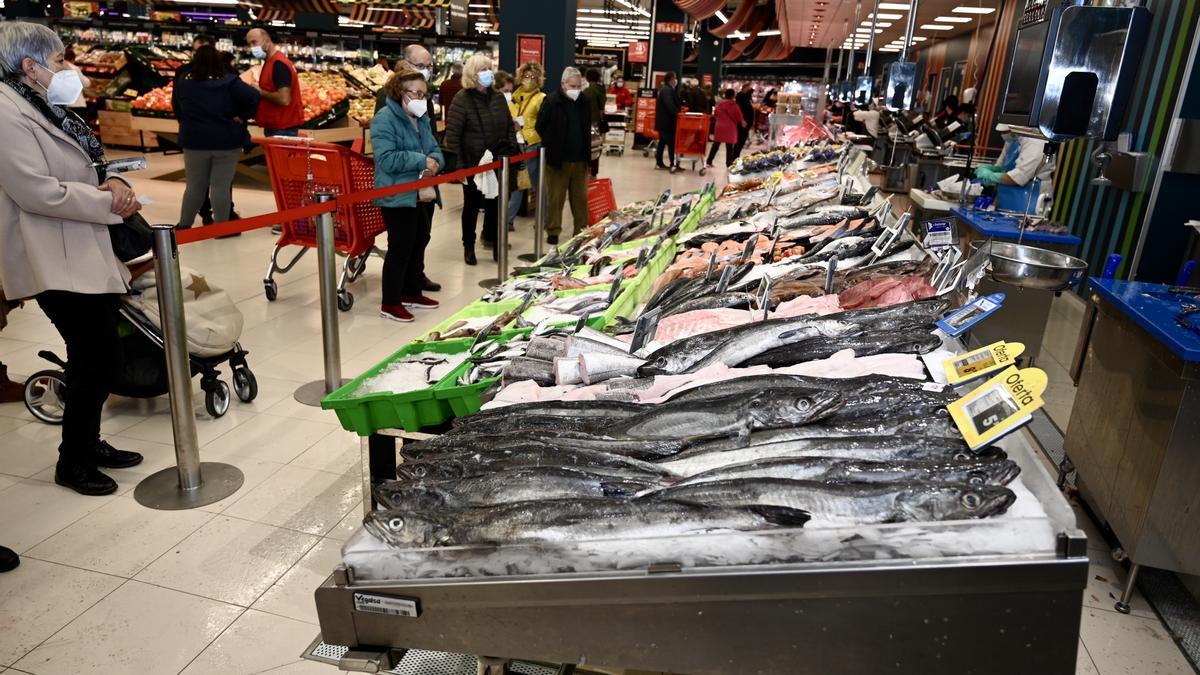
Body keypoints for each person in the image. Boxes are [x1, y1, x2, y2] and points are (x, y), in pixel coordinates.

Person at [0, 21, 144, 496]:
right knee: (97, 355)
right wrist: (109, 203)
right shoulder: (5, 114)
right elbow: (35, 192)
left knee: (99, 354)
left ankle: (89, 442)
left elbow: (90, 164)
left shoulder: (45, 106)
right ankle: (74, 461)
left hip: (77, 244)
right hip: (49, 253)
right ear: (29, 66)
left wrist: (115, 183)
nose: (68, 69)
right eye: (59, 60)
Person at [372, 69, 444, 323]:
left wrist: (436, 161)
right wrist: (421, 160)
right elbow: (386, 159)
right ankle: (390, 301)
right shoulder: (384, 119)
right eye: (416, 93)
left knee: (419, 241)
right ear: (399, 93)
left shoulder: (421, 118)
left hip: (422, 192)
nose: (421, 98)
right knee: (400, 248)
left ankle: (412, 292)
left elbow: (435, 147)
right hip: (397, 194)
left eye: (424, 94)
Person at [173, 45, 259, 231]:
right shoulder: (229, 81)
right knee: (220, 186)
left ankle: (184, 225)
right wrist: (242, 115)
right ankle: (222, 228)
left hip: (194, 140)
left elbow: (178, 106)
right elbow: (253, 96)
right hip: (226, 140)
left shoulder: (184, 81)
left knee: (195, 185)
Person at [444, 53, 513, 265]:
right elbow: (453, 135)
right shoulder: (462, 99)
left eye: (489, 68)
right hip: (473, 163)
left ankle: (494, 242)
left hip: (497, 162)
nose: (488, 73)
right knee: (471, 207)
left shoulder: (498, 98)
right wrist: (460, 167)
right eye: (483, 69)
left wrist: (509, 150)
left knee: (495, 205)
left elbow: (509, 126)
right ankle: (469, 246)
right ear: (473, 74)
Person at [536, 66, 591, 246]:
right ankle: (553, 230)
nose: (575, 90)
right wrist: (552, 142)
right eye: (572, 86)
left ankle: (580, 231)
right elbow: (539, 126)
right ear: (563, 84)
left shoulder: (585, 101)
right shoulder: (551, 101)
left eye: (578, 86)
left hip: (580, 160)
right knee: (555, 198)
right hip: (557, 160)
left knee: (580, 199)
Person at [975, 123, 1056, 213]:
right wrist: (993, 169)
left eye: (1006, 132)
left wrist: (991, 176)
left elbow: (1018, 178)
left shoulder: (1036, 142)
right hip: (1006, 195)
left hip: (1031, 195)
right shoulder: (1013, 138)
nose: (1004, 135)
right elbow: (1002, 165)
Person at [245, 28, 303, 137]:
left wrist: (260, 92)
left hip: (282, 129)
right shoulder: (270, 62)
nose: (252, 47)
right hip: (275, 126)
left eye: (254, 42)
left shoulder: (278, 64)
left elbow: (284, 99)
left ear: (267, 41)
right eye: (249, 44)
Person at [509, 61, 545, 230]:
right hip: (516, 143)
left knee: (519, 183)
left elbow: (544, 122)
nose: (529, 79)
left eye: (533, 77)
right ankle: (544, 217)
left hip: (531, 145)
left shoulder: (540, 98)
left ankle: (508, 219)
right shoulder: (515, 97)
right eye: (525, 76)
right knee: (538, 183)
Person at [706, 88, 745, 169]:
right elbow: (738, 117)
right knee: (729, 147)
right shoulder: (734, 105)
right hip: (730, 127)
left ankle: (709, 161)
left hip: (719, 126)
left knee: (715, 145)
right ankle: (728, 164)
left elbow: (715, 114)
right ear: (733, 95)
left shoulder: (719, 104)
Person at [583, 68, 608, 177]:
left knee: (588, 148)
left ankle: (587, 170)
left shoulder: (587, 91)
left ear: (587, 78)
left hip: (588, 123)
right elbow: (602, 108)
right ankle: (594, 172)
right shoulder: (601, 90)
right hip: (598, 123)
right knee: (596, 148)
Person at [654, 71, 681, 171]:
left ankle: (659, 163)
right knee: (671, 143)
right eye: (675, 78)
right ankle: (672, 164)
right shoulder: (667, 90)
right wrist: (677, 113)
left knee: (662, 143)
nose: (676, 80)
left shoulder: (666, 89)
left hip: (664, 121)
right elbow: (669, 104)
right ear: (671, 79)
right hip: (666, 122)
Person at [733, 86, 755, 158]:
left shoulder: (740, 102)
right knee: (739, 144)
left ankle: (734, 159)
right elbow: (747, 113)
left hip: (741, 125)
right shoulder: (744, 101)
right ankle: (734, 159)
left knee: (738, 144)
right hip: (743, 125)